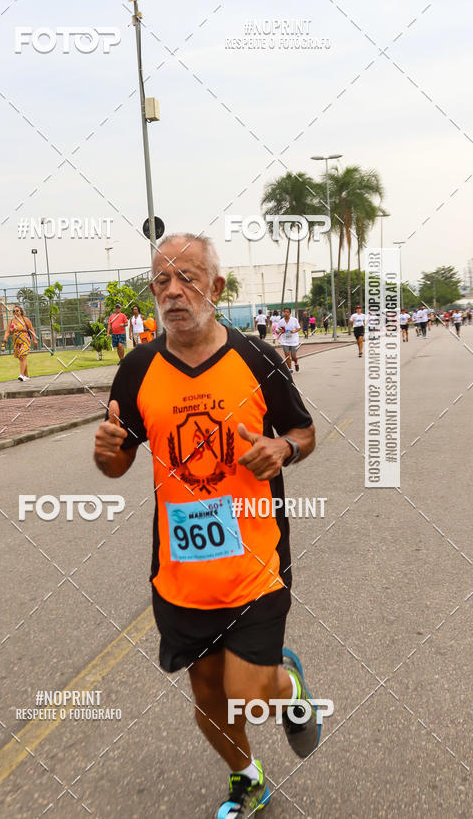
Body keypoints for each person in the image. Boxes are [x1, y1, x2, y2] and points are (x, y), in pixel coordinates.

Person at [94, 234, 320, 818]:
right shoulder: (138, 367)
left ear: (215, 288)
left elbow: (304, 432)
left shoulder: (258, 360)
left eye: (188, 278)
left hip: (254, 560)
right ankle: (248, 777)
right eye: (162, 280)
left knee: (249, 695)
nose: (173, 291)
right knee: (207, 696)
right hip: (182, 569)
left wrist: (282, 450)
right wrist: (108, 450)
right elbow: (116, 463)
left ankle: (289, 688)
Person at [2, 305, 37, 381]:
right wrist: (5, 337)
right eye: (14, 311)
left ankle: (21, 375)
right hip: (16, 342)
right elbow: (8, 331)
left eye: (17, 310)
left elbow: (31, 329)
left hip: (25, 340)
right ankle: (26, 376)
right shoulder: (11, 321)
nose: (15, 312)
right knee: (21, 358)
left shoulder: (25, 320)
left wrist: (34, 339)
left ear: (21, 311)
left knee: (23, 356)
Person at [277, 307, 301, 373]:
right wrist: (279, 331)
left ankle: (296, 362)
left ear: (290, 313)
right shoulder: (281, 321)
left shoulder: (294, 320)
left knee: (293, 356)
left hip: (294, 340)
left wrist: (294, 331)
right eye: (285, 312)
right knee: (287, 356)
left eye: (287, 312)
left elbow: (299, 328)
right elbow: (277, 330)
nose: (286, 313)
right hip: (285, 341)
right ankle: (290, 369)